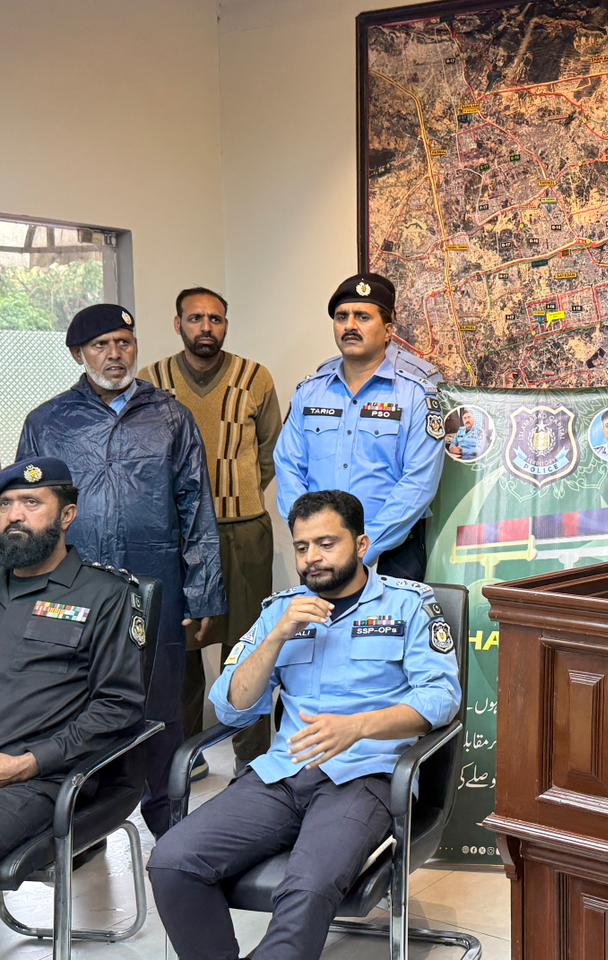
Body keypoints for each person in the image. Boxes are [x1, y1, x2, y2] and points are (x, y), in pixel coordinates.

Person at [148, 489, 462, 960]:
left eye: (326, 543)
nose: (312, 557)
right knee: (172, 861)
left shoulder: (409, 605)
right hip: (283, 773)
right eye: (301, 546)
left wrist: (358, 727)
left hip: (367, 777)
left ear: (361, 544)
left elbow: (441, 699)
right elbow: (232, 708)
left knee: (307, 887)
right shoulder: (281, 610)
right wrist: (275, 638)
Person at [17, 303, 225, 835]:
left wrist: (202, 592)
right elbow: (27, 509)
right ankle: (78, 832)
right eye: (101, 345)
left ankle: (171, 833)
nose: (115, 355)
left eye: (124, 343)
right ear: (78, 355)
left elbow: (196, 506)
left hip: (155, 587)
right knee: (71, 702)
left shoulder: (170, 416)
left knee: (159, 708)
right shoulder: (47, 422)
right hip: (74, 589)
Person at [140, 286, 283, 775]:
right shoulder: (152, 380)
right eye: (196, 318)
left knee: (247, 644)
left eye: (216, 319)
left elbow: (269, 451)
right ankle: (187, 756)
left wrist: (236, 494)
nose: (206, 327)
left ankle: (251, 756)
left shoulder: (255, 377)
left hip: (242, 532)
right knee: (178, 644)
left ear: (226, 324)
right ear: (177, 324)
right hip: (175, 535)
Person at [0, 457, 145, 859]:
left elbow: (118, 706)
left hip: (37, 779)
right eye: (5, 503)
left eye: (31, 503)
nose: (14, 515)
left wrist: (29, 763)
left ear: (67, 516)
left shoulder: (106, 595)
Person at [275, 274, 446, 582]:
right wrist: (309, 533)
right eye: (342, 317)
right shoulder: (309, 393)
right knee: (316, 616)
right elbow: (288, 467)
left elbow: (419, 482)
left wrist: (364, 545)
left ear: (388, 330)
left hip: (392, 553)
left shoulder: (416, 395)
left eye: (362, 317)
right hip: (321, 555)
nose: (350, 326)